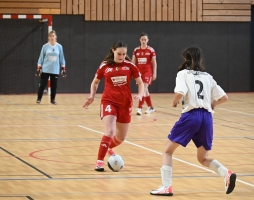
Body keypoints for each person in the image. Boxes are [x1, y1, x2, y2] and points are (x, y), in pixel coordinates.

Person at [150, 47, 236, 196]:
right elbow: (224, 98)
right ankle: (226, 173)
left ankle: (166, 186)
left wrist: (174, 102)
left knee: (167, 151)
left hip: (191, 116)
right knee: (203, 158)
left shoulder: (183, 74)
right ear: (200, 60)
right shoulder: (208, 76)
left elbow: (180, 92)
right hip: (207, 118)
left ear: (185, 60)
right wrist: (213, 104)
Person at [83, 40, 144, 172]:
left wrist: (140, 94)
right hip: (109, 101)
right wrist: (92, 96)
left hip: (125, 103)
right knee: (109, 131)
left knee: (121, 138)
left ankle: (106, 147)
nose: (121, 57)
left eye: (124, 54)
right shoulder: (105, 66)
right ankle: (99, 161)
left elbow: (140, 82)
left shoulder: (130, 66)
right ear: (113, 51)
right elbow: (95, 82)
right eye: (119, 54)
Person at [35, 30, 66, 105]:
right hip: (46, 69)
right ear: (48, 37)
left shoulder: (59, 46)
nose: (52, 37)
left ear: (55, 37)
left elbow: (62, 58)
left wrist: (63, 69)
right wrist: (38, 68)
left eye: (53, 36)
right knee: (42, 85)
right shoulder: (45, 47)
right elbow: (41, 58)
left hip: (55, 69)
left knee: (54, 86)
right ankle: (39, 99)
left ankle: (52, 100)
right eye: (50, 36)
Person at [132, 32, 157, 115]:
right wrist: (132, 71)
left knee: (143, 88)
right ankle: (151, 107)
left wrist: (154, 73)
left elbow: (154, 62)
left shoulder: (150, 50)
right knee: (145, 90)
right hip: (139, 72)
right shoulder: (136, 50)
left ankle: (140, 108)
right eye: (142, 39)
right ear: (140, 40)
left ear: (148, 40)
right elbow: (133, 62)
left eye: (145, 40)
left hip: (147, 71)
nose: (143, 41)